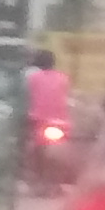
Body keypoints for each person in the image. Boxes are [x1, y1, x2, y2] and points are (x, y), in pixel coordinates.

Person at [20, 45, 76, 190]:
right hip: (60, 120)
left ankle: (32, 175)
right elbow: (65, 96)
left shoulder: (32, 77)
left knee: (27, 143)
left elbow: (25, 96)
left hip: (37, 119)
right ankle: (55, 180)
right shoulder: (63, 77)